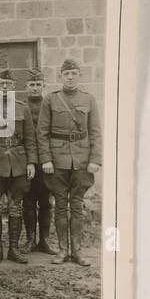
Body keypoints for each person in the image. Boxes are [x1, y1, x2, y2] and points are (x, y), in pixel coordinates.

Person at [37, 58, 102, 266]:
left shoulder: (89, 99)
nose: (71, 77)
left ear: (79, 76)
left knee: (77, 205)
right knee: (60, 206)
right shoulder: (50, 99)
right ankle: (63, 250)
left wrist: (95, 159)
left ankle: (78, 251)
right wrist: (46, 159)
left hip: (82, 161)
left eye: (74, 73)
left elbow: (96, 133)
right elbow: (42, 133)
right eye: (67, 74)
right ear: (60, 77)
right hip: (56, 161)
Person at [0, 69, 37, 264]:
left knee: (15, 208)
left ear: (14, 87)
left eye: (8, 84)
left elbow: (30, 138)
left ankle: (13, 248)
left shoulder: (23, 108)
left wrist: (31, 162)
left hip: (19, 163)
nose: (4, 87)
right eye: (1, 83)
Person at [21, 68, 57, 255]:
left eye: (38, 85)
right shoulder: (21, 105)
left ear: (44, 86)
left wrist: (48, 158)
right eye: (31, 85)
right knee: (28, 200)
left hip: (46, 161)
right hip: (27, 161)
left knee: (45, 201)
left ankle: (44, 240)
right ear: (26, 86)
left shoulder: (50, 104)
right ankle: (29, 239)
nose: (35, 88)